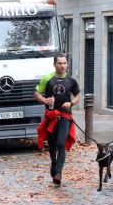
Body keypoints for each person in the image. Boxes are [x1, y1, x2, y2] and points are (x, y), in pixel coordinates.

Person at [34, 54, 81, 186]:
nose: (62, 65)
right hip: (51, 117)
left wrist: (71, 103)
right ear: (54, 64)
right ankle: (53, 163)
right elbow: (36, 93)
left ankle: (59, 173)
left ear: (67, 64)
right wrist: (44, 100)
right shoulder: (47, 78)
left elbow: (78, 96)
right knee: (52, 144)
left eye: (64, 63)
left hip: (65, 117)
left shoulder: (71, 81)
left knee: (61, 143)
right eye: (59, 63)